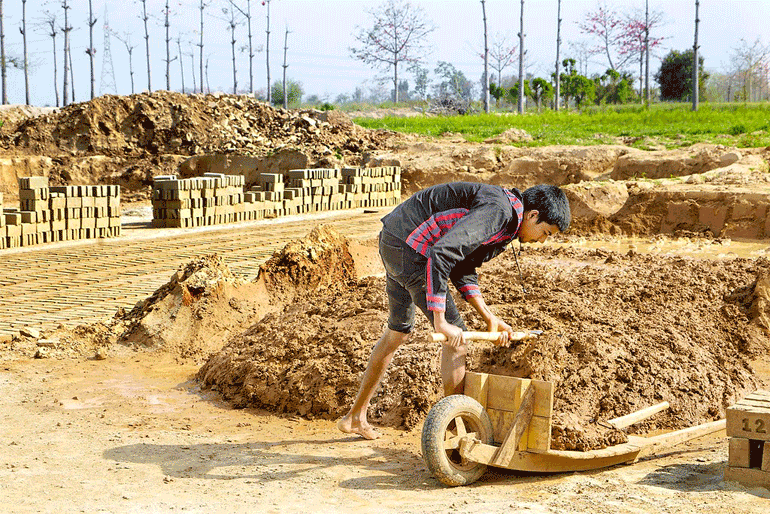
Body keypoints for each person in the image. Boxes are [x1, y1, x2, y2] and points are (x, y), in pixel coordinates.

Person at [337, 181, 571, 440]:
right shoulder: (500, 212)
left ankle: (354, 418)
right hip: (412, 248)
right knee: (456, 341)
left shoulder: (506, 218)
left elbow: (462, 265)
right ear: (533, 215)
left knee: (397, 333)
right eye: (546, 233)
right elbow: (442, 253)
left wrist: (489, 317)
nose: (541, 241)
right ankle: (459, 430)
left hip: (395, 240)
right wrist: (441, 321)